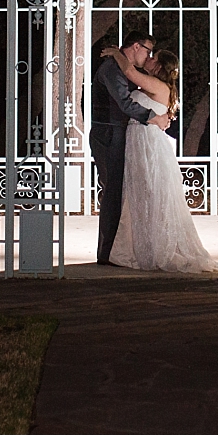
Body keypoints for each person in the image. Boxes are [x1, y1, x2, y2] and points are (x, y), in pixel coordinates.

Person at [102, 45, 218, 273]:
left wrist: (116, 53)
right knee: (139, 194)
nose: (149, 58)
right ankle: (138, 245)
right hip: (138, 140)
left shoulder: (158, 86)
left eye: (153, 57)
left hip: (148, 142)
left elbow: (130, 73)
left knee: (150, 193)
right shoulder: (151, 85)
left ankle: (155, 246)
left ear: (158, 66)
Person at [88, 33, 170, 265]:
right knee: (113, 192)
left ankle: (117, 249)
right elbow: (124, 103)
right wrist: (154, 117)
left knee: (120, 192)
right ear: (136, 46)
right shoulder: (112, 69)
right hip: (108, 134)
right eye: (148, 51)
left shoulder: (121, 67)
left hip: (118, 134)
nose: (149, 56)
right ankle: (107, 253)